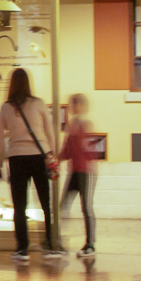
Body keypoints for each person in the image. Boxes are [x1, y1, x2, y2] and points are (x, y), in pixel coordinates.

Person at [0, 67, 58, 262]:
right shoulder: (38, 104)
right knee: (45, 203)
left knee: (19, 205)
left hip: (16, 158)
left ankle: (22, 248)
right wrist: (52, 155)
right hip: (38, 156)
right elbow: (50, 132)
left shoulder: (6, 107)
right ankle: (49, 244)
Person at [59, 93, 97, 256]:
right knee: (63, 205)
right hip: (74, 171)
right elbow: (68, 150)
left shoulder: (85, 125)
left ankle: (90, 244)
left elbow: (86, 150)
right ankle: (57, 240)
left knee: (86, 207)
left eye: (76, 104)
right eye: (71, 104)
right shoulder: (73, 125)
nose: (73, 107)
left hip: (86, 172)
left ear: (82, 106)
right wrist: (55, 158)